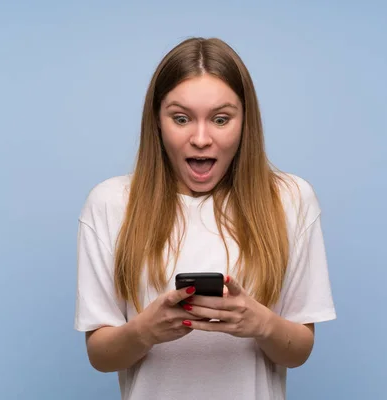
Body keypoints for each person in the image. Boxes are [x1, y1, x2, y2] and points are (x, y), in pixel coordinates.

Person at [74, 37, 336, 400]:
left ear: (245, 122)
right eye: (181, 118)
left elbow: (299, 351)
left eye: (221, 119)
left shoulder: (290, 200)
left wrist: (260, 323)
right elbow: (100, 356)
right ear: (157, 122)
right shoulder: (110, 204)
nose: (201, 138)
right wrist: (144, 331)